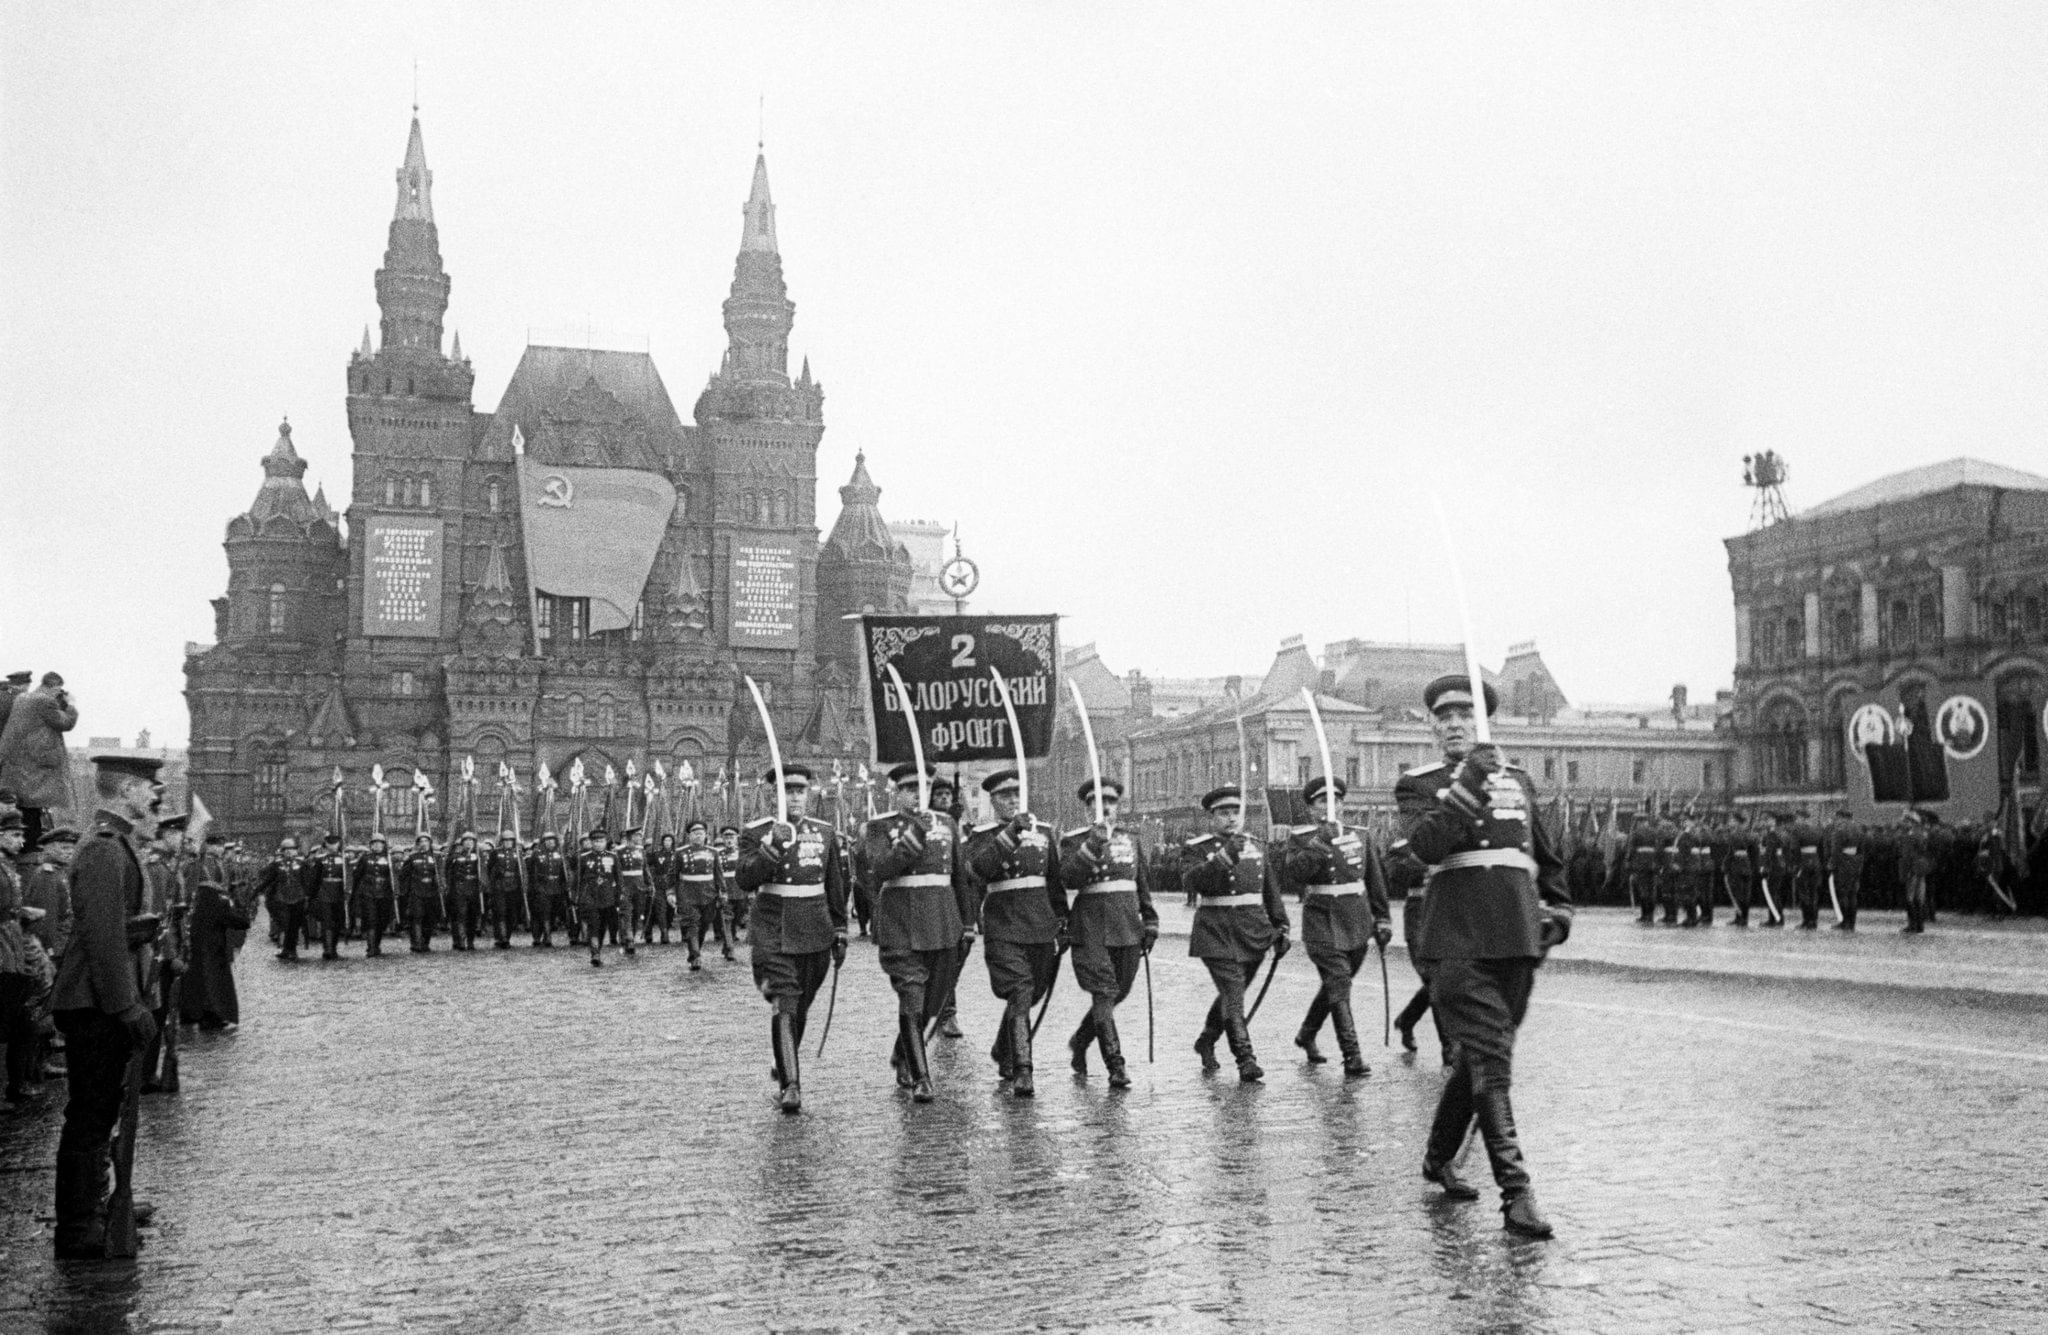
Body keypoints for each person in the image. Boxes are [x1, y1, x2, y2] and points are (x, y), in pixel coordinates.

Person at [1396, 675, 1571, 1240]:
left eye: (1464, 715)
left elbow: (1546, 855)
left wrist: (1560, 912)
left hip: (1517, 940)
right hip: (1455, 942)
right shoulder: (1419, 785)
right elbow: (1427, 846)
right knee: (1492, 1060)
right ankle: (1517, 1195)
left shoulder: (1517, 781)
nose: (1453, 723)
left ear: (1483, 722)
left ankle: (1438, 1156)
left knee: (1478, 1059)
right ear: (1431, 727)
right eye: (1443, 716)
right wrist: (1470, 775)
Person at [49, 752, 164, 1260]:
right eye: (146, 788)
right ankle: (78, 1226)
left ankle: (97, 1201)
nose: (153, 796)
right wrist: (127, 1007)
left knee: (104, 1106)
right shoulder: (102, 849)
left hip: (104, 1000)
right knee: (90, 1114)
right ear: (124, 791)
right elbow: (101, 939)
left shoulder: (116, 844)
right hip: (94, 1002)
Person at [734, 766, 849, 1113]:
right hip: (773, 930)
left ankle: (784, 1060)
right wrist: (773, 848)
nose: (795, 796)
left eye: (800, 790)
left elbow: (835, 885)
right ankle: (791, 1086)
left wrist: (840, 929)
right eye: (788, 791)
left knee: (801, 1005)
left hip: (815, 929)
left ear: (809, 794)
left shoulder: (825, 833)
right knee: (785, 1003)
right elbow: (744, 879)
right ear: (774, 795)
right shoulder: (756, 833)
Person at [864, 764, 974, 1103]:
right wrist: (913, 838)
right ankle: (921, 1076)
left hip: (942, 924)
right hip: (900, 925)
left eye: (921, 788)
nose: (916, 794)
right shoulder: (880, 827)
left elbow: (959, 878)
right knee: (912, 997)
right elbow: (880, 869)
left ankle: (904, 1052)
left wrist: (967, 923)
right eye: (909, 788)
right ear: (896, 792)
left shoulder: (948, 824)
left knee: (933, 1002)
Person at [962, 769, 1066, 1097]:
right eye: (1004, 796)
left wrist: (1063, 920)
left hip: (1040, 926)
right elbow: (979, 870)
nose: (1011, 801)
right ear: (992, 801)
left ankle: (1002, 1046)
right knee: (1019, 990)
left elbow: (1054, 882)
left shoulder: (1046, 833)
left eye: (1015, 795)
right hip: (1003, 926)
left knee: (1032, 994)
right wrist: (1009, 834)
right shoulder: (982, 835)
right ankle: (1023, 1068)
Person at [1280, 776, 1390, 1079]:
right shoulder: (1302, 838)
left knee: (1336, 985)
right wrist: (1319, 844)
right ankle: (1352, 1055)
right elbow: (1295, 874)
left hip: (1356, 922)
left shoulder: (1361, 835)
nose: (1331, 808)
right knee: (1339, 981)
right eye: (1322, 802)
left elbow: (1375, 881)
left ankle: (1307, 1033)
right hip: (1321, 922)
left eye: (1336, 801)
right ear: (1311, 809)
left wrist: (1382, 919)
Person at [1183, 785, 1289, 1083]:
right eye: (1223, 813)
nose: (1231, 819)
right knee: (1233, 993)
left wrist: (1281, 926)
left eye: (1235, 813)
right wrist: (1224, 857)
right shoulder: (1198, 848)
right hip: (1215, 932)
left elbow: (1270, 891)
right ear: (1211, 817)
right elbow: (1194, 881)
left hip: (1253, 931)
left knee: (1234, 994)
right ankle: (1245, 1059)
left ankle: (1206, 1039)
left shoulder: (1256, 845)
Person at [1057, 778, 1157, 1090]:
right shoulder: (1074, 841)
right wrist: (1093, 844)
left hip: (1127, 927)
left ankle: (1081, 1040)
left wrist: (1150, 921)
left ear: (1118, 806)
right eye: (1097, 804)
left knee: (1120, 992)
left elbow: (1142, 884)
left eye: (1111, 803)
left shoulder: (1132, 840)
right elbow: (1069, 877)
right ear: (1087, 809)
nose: (1106, 809)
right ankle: (1116, 1065)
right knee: (1103, 993)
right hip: (1090, 928)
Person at [0, 672, 79, 850]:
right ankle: (30, 848)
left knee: (26, 808)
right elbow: (65, 723)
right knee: (32, 810)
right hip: (35, 766)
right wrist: (71, 705)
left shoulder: (23, 698)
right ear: (54, 687)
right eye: (58, 690)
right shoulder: (45, 701)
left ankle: (27, 845)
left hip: (20, 766)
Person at [180, 833, 250, 1029]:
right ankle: (210, 1012)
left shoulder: (208, 863)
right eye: (217, 845)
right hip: (209, 924)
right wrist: (235, 918)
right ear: (209, 846)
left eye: (221, 845)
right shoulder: (206, 864)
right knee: (209, 971)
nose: (220, 849)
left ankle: (196, 1011)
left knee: (201, 969)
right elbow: (214, 894)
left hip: (207, 924)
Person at [1387, 838, 1446, 1061]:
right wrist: (1427, 866)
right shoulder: (1405, 845)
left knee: (1441, 979)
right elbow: (1394, 874)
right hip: (1420, 918)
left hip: (1449, 916)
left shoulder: (1456, 833)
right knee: (1434, 979)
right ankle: (1448, 1047)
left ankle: (1407, 1020)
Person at [673, 820, 728, 970]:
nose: (698, 836)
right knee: (692, 924)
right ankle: (695, 956)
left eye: (701, 833)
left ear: (705, 835)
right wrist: (671, 893)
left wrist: (722, 892)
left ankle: (695, 950)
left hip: (708, 895)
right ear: (689, 836)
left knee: (704, 926)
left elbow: (719, 875)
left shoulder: (713, 852)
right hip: (687, 895)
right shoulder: (680, 853)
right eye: (695, 833)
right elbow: (673, 876)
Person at [257, 836, 312, 961]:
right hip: (282, 899)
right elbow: (266, 880)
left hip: (298, 898)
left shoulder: (302, 864)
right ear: (282, 851)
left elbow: (307, 882)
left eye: (291, 849)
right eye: (285, 849)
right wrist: (256, 892)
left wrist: (308, 897)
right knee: (285, 925)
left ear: (296, 850)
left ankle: (291, 950)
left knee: (294, 926)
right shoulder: (276, 865)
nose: (288, 851)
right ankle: (287, 949)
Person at [578, 828, 627, 966]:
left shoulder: (613, 857)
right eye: (595, 841)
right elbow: (578, 879)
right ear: (591, 843)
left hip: (607, 896)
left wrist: (620, 893)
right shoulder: (584, 858)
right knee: (593, 924)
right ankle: (595, 953)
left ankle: (597, 949)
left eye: (601, 841)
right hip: (590, 895)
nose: (598, 844)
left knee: (602, 926)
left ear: (606, 842)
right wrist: (578, 896)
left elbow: (619, 877)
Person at [352, 835, 399, 956]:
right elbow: (357, 875)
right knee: (371, 920)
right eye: (375, 844)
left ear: (384, 845)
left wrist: (395, 890)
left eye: (380, 843)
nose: (377, 846)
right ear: (371, 845)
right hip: (368, 892)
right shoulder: (365, 858)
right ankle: (371, 948)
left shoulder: (388, 858)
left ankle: (376, 945)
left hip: (384, 893)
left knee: (382, 920)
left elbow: (394, 877)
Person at [309, 833, 350, 960]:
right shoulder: (320, 859)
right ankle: (327, 949)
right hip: (324, 893)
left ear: (339, 844)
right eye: (329, 843)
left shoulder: (344, 859)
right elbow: (315, 879)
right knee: (327, 922)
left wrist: (348, 890)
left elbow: (349, 877)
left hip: (339, 894)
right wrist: (312, 896)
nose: (332, 846)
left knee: (337, 922)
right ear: (325, 845)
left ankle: (334, 948)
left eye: (335, 843)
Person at [398, 834, 442, 952]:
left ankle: (425, 943)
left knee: (429, 917)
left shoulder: (436, 857)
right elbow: (403, 875)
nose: (423, 843)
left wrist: (440, 884)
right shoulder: (412, 858)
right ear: (417, 844)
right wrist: (406, 889)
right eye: (421, 841)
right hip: (416, 891)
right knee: (417, 917)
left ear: (429, 842)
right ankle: (416, 944)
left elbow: (440, 874)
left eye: (426, 841)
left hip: (431, 891)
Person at [1717, 812, 1761, 927]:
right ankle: (1743, 918)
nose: (1731, 822)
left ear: (1737, 822)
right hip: (1748, 867)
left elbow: (1730, 853)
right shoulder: (1752, 835)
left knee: (1737, 893)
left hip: (1736, 867)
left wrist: (1725, 866)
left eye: (1732, 820)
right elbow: (1755, 854)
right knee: (1745, 893)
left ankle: (1740, 917)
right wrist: (1754, 867)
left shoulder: (1734, 835)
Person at [525, 833, 569, 948]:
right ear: (543, 842)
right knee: (544, 912)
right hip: (542, 887)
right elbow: (532, 872)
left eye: (552, 840)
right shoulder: (537, 854)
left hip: (556, 888)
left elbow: (564, 872)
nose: (550, 843)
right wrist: (536, 887)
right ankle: (547, 937)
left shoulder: (560, 854)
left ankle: (546, 935)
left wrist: (564, 887)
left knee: (553, 912)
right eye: (547, 840)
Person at [443, 833, 483, 951]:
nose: (469, 843)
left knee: (472, 916)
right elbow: (447, 872)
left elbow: (484, 872)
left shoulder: (478, 857)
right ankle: (461, 941)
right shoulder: (454, 857)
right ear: (462, 843)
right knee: (460, 915)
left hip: (474, 890)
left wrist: (483, 883)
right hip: (459, 890)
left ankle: (470, 941)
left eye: (471, 840)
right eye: (466, 840)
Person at [485, 830, 524, 949]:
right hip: (499, 886)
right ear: (502, 842)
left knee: (511, 914)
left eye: (510, 840)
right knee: (500, 912)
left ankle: (507, 936)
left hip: (513, 887)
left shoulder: (518, 852)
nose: (508, 843)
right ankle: (502, 938)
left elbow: (521, 870)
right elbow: (489, 868)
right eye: (506, 840)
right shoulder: (495, 853)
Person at [1826, 810, 1863, 931]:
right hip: (1855, 863)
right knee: (1853, 894)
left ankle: (1844, 922)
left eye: (1837, 818)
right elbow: (1862, 850)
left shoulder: (1839, 830)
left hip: (1843, 864)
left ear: (1840, 817)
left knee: (1843, 893)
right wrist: (1858, 864)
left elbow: (1835, 851)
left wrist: (1832, 864)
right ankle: (1852, 923)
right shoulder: (1858, 829)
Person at [1624, 810, 1662, 924]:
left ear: (1638, 821)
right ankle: (1650, 915)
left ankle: (1645, 915)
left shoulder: (1636, 833)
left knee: (1643, 890)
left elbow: (1630, 849)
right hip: (1653, 865)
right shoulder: (1654, 832)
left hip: (1640, 864)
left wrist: (1627, 861)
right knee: (1652, 890)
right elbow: (1659, 849)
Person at [617, 827, 651, 947]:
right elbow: (618, 871)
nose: (640, 838)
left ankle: (631, 934)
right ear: (631, 837)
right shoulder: (619, 851)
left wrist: (650, 884)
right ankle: (628, 937)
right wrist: (620, 887)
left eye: (640, 836)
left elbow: (645, 869)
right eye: (638, 835)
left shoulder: (641, 850)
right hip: (625, 886)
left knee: (638, 912)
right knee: (626, 912)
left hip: (640, 886)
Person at [647, 832, 678, 946]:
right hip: (659, 884)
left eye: (670, 840)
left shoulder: (677, 854)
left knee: (670, 910)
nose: (667, 843)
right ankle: (664, 933)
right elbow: (646, 863)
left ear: (673, 842)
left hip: (673, 885)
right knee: (661, 909)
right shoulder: (656, 854)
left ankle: (667, 928)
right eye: (665, 840)